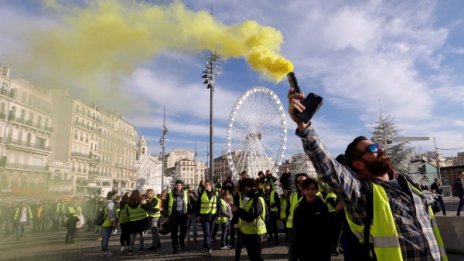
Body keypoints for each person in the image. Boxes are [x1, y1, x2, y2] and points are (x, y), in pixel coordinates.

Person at [288, 89, 447, 260]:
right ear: (358, 163)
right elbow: (330, 170)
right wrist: (304, 127)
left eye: (377, 145)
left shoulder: (407, 184)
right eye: (372, 148)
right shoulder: (363, 194)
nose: (379, 149)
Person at [293, 178, 331, 261]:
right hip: (305, 250)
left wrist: (328, 248)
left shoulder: (322, 206)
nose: (310, 192)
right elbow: (296, 231)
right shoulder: (299, 208)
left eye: (312, 189)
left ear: (316, 190)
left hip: (321, 249)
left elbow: (328, 228)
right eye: (307, 189)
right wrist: (298, 251)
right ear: (304, 191)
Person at [231, 178, 267, 261]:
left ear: (252, 187)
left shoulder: (257, 199)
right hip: (249, 232)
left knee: (256, 257)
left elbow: (250, 217)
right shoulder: (252, 199)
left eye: (247, 188)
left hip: (255, 233)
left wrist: (237, 210)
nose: (245, 190)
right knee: (253, 256)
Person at [286, 173, 308, 261]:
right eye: (299, 181)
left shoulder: (313, 195)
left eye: (303, 181)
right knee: (292, 255)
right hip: (293, 229)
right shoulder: (293, 195)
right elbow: (289, 211)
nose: (301, 183)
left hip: (307, 230)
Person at [164, 180, 189, 254]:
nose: (178, 186)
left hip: (183, 215)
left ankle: (181, 241)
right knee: (174, 233)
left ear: (182, 186)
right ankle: (175, 248)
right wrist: (166, 216)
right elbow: (166, 205)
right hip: (173, 215)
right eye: (177, 185)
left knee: (183, 231)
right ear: (175, 186)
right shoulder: (170, 194)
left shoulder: (185, 193)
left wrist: (190, 212)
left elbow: (188, 203)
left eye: (179, 185)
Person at [196, 180, 219, 257]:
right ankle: (209, 249)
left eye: (207, 185)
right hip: (204, 216)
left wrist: (218, 215)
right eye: (205, 185)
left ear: (211, 186)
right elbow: (198, 205)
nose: (206, 186)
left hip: (213, 216)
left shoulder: (216, 194)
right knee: (207, 233)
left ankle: (205, 246)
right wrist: (198, 215)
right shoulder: (202, 194)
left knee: (210, 234)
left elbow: (219, 205)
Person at [101, 191, 117, 257]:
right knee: (106, 238)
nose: (116, 197)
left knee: (104, 238)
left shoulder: (105, 202)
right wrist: (113, 223)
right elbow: (111, 214)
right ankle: (105, 252)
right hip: (108, 223)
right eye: (116, 195)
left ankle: (103, 251)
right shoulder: (111, 203)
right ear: (112, 196)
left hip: (103, 222)